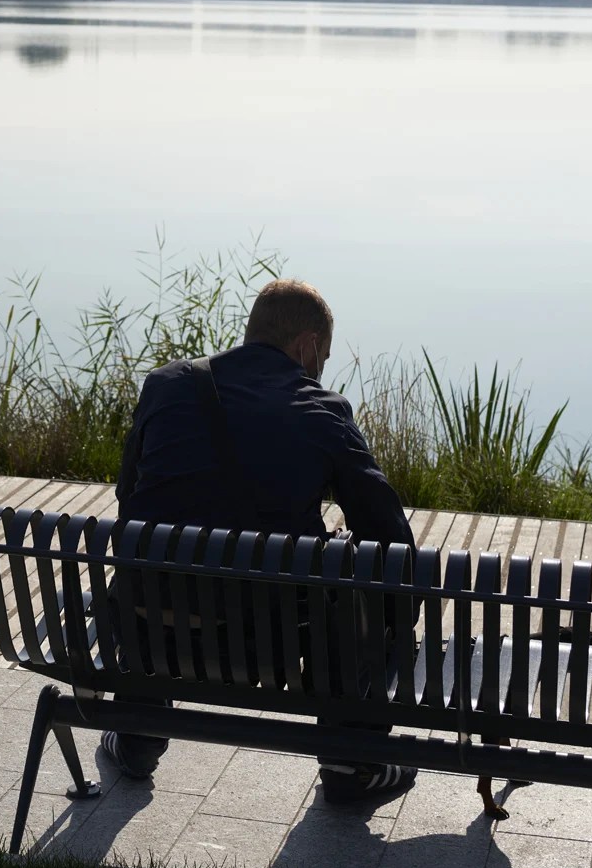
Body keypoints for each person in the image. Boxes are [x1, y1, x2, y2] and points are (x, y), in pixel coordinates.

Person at [101, 279, 429, 805]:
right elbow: (389, 537)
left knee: (162, 563)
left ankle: (138, 736)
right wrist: (397, 624)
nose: (319, 368)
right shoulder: (322, 409)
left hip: (151, 621)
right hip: (273, 639)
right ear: (305, 347)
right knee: (351, 574)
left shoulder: (165, 385)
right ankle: (353, 757)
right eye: (321, 356)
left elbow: (129, 495)